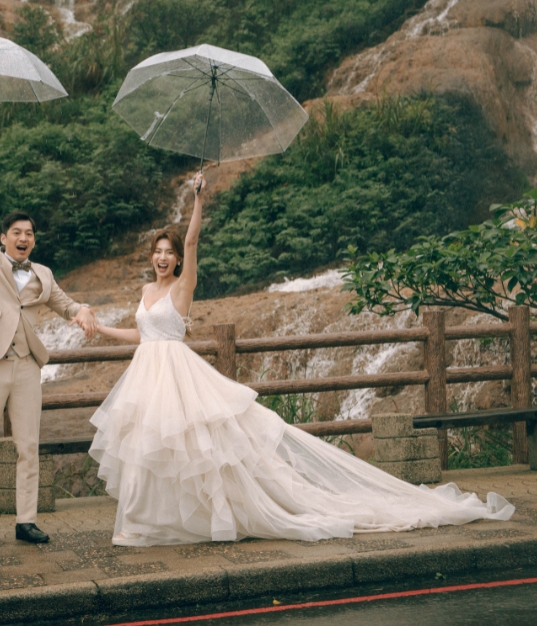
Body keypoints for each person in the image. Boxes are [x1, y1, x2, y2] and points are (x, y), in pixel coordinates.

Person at [86, 172, 514, 546]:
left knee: (198, 451)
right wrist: (102, 330)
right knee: (149, 449)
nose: (163, 258)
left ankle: (206, 519)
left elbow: (195, 238)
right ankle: (146, 523)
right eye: (157, 251)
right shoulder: (146, 293)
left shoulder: (183, 287)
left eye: (169, 252)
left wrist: (199, 199)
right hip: (147, 375)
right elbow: (143, 333)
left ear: (178, 258)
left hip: (177, 376)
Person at [0, 159, 99, 551]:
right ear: (4, 238)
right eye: (16, 233)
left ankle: (26, 521)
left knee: (29, 445)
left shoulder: (42, 273)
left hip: (27, 367)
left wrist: (82, 311)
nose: (23, 238)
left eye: (29, 233)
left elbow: (63, 303)